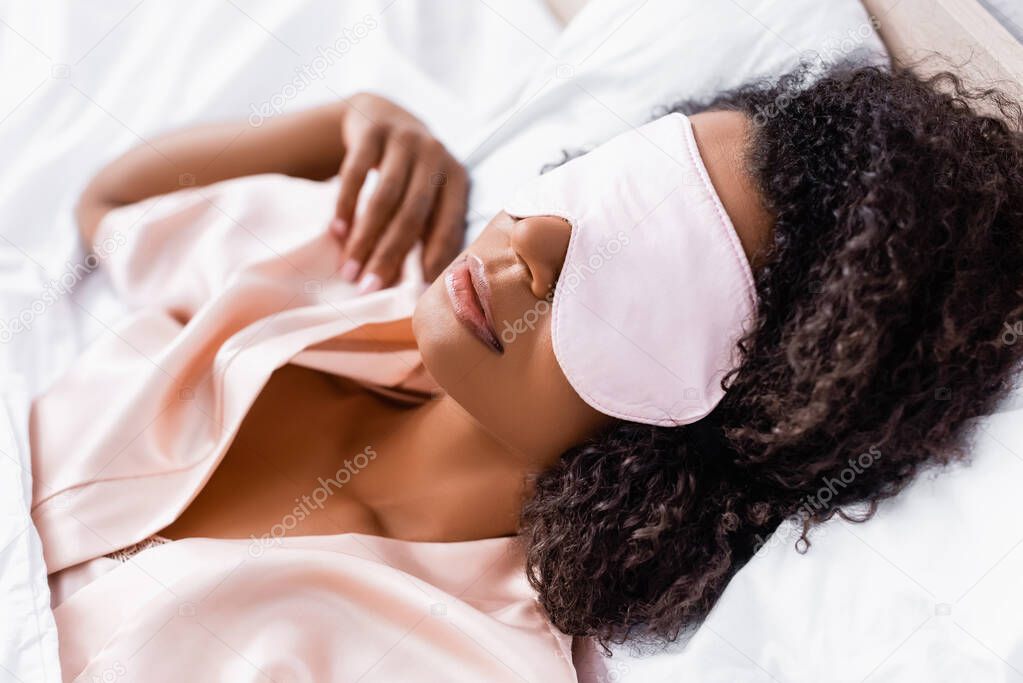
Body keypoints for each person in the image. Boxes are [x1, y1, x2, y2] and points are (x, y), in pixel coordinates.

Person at [32, 64, 1023, 679]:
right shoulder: (351, 269)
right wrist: (335, 127)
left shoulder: (462, 660)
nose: (533, 234)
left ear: (703, 435)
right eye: (601, 183)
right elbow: (111, 207)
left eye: (638, 267)